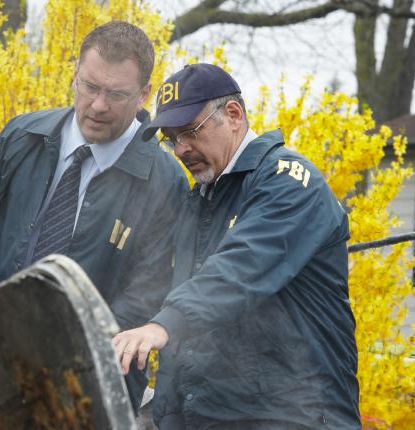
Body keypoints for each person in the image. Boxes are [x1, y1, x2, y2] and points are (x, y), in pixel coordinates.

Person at [0, 21, 188, 409]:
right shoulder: (19, 137)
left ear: (144, 95)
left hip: (93, 386)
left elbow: (147, 294)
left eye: (116, 94)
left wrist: (60, 356)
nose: (98, 105)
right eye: (90, 87)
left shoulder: (164, 180)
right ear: (75, 75)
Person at [112, 63, 360, 429]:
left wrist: (164, 325)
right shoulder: (199, 201)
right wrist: (168, 413)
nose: (180, 149)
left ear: (233, 115)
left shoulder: (288, 182)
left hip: (294, 414)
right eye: (171, 138)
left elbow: (240, 269)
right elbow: (183, 300)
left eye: (190, 132)